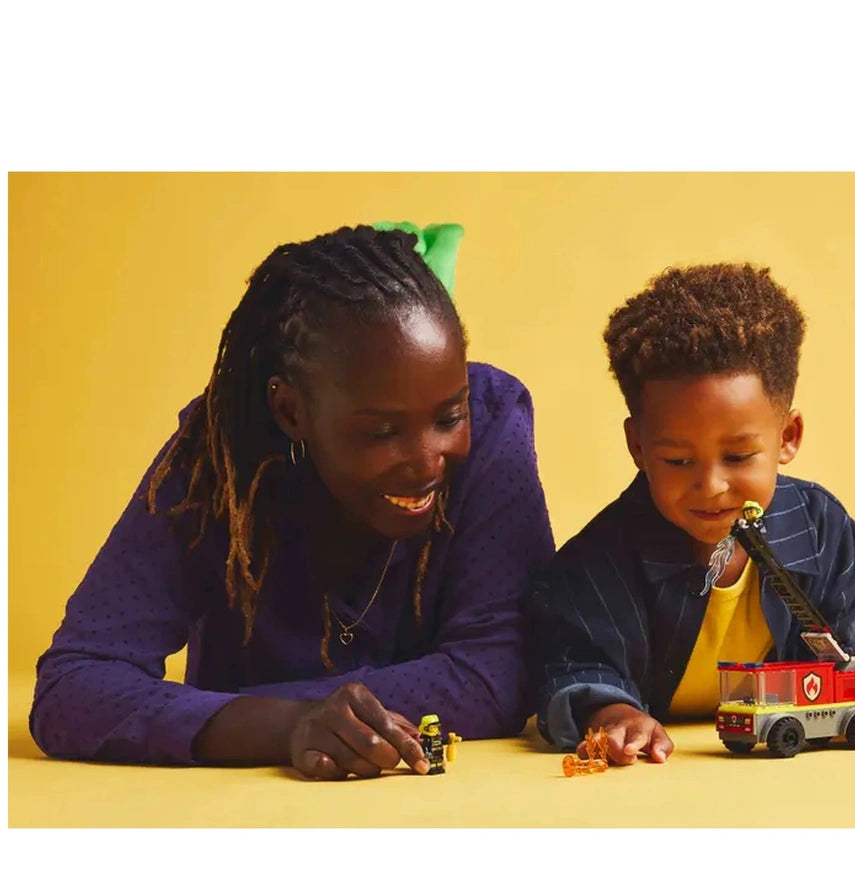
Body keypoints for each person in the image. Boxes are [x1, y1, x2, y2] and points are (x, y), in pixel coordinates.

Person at [30, 223, 554, 780]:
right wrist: (289, 724)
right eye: (380, 432)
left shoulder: (496, 421)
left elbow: (501, 670)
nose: (428, 461)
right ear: (291, 411)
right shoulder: (220, 455)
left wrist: (248, 711)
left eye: (449, 417)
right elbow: (73, 684)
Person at [527, 263, 855, 764]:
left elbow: (836, 657)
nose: (712, 486)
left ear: (787, 438)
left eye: (739, 457)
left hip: (816, 614)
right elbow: (576, 663)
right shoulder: (597, 566)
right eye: (678, 461)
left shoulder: (821, 528)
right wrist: (612, 711)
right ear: (638, 445)